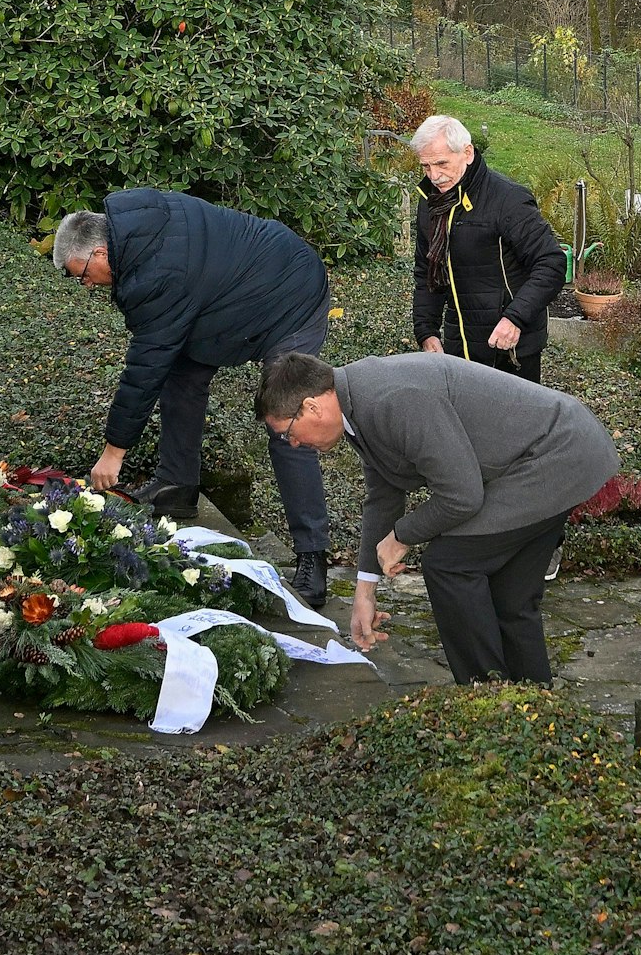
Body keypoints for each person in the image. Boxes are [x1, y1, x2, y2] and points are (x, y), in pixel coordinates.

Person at [255, 352, 618, 685]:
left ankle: (487, 698)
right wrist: (364, 593)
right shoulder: (357, 403)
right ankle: (532, 708)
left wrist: (402, 536)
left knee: (449, 565)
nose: (293, 444)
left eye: (287, 432)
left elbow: (461, 496)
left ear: (311, 407)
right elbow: (384, 495)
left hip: (557, 454)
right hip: (560, 452)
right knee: (510, 598)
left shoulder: (391, 400)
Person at [53, 191, 334, 608]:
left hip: (290, 293)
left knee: (288, 419)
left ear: (99, 251)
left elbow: (143, 367)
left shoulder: (155, 271)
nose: (87, 284)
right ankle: (177, 485)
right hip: (230, 301)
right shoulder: (136, 233)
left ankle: (313, 554)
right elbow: (161, 355)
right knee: (179, 375)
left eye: (83, 275)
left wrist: (113, 453)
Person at [409, 115, 566, 383]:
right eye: (426, 167)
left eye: (441, 163)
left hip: (510, 347)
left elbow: (551, 263)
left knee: (514, 424)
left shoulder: (508, 199)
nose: (434, 176)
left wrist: (515, 318)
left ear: (467, 153)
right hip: (459, 346)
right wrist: (426, 330)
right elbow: (428, 271)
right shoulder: (431, 204)